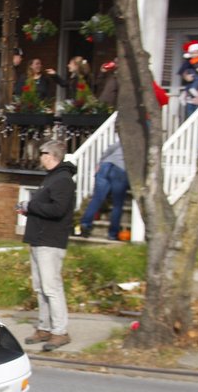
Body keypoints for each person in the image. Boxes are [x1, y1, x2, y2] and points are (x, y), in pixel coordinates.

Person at [17, 139, 76, 352]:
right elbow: (47, 207)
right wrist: (29, 209)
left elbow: (58, 209)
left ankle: (60, 331)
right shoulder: (52, 178)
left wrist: (30, 205)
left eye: (42, 153)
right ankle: (44, 326)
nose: (40, 156)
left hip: (50, 240)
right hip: (39, 238)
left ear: (51, 156)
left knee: (52, 288)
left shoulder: (63, 180)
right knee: (40, 287)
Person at [79, 142, 128, 241]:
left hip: (105, 165)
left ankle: (85, 224)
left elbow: (109, 150)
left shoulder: (123, 140)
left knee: (97, 199)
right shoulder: (142, 146)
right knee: (117, 204)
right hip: (120, 169)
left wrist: (100, 163)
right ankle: (112, 234)